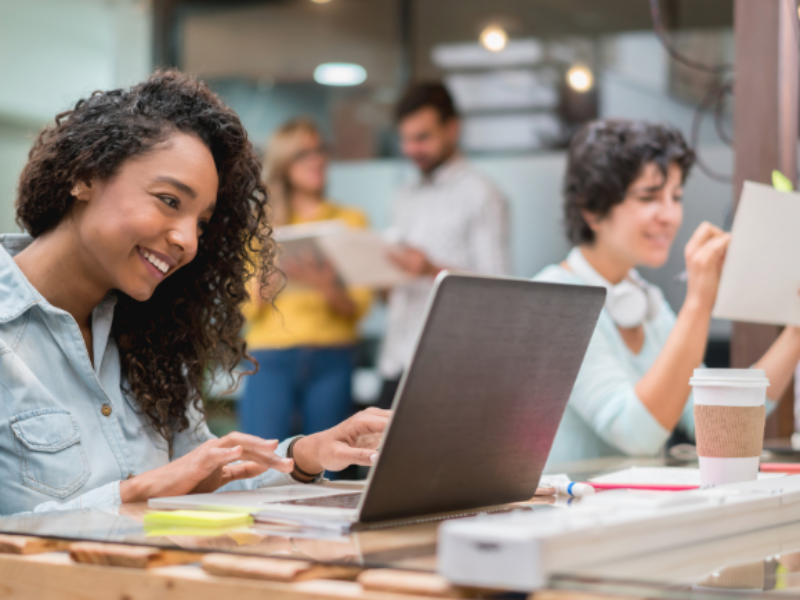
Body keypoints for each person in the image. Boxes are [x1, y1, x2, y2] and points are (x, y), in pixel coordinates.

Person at [0, 70, 389, 515]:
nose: (188, 241)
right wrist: (135, 495)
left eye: (201, 223)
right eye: (169, 200)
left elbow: (201, 479)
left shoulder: (147, 338)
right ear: (85, 175)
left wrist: (303, 455)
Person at [535, 119, 800, 465]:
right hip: (566, 515)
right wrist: (699, 300)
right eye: (649, 197)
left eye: (675, 197)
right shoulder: (554, 300)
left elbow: (715, 417)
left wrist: (796, 330)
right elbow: (635, 434)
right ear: (592, 210)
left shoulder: (649, 303)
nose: (670, 215)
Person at [377, 82, 511, 407]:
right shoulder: (405, 194)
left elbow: (499, 292)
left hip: (446, 367)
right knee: (375, 459)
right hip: (395, 360)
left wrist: (429, 269)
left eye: (422, 137)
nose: (411, 149)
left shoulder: (482, 194)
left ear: (452, 129)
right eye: (405, 139)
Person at [239, 119, 371, 441]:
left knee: (330, 466)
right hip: (271, 357)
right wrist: (274, 272)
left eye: (320, 150)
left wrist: (325, 286)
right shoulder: (259, 227)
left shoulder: (351, 220)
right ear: (284, 163)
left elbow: (359, 308)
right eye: (304, 153)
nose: (317, 160)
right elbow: (247, 306)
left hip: (333, 357)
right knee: (262, 462)